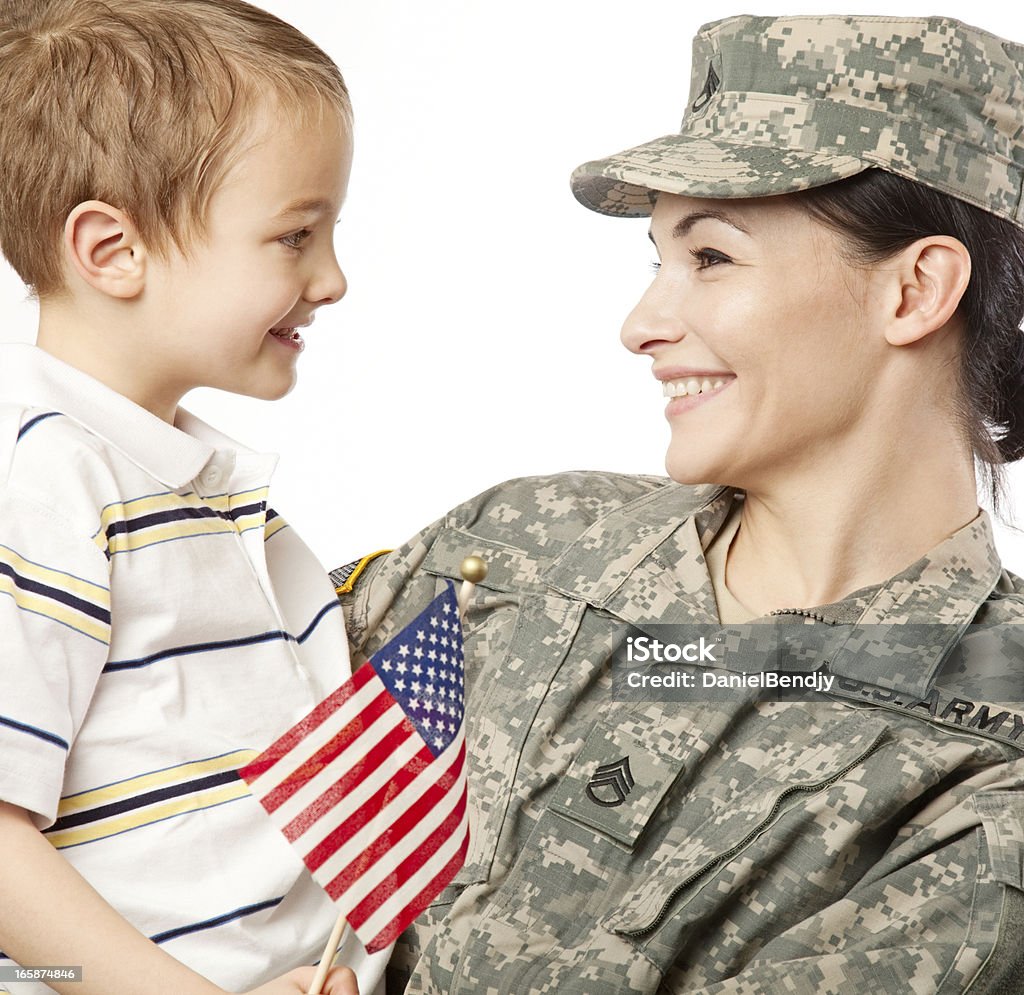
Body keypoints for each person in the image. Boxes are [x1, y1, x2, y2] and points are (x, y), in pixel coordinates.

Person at [337, 14, 1024, 994]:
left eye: (710, 258)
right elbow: (136, 729)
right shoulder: (523, 543)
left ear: (914, 289)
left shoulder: (994, 747)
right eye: (653, 259)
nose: (641, 325)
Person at [0, 2, 373, 992]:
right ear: (112, 251)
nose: (332, 278)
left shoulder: (184, 489)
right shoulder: (39, 481)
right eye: (296, 235)